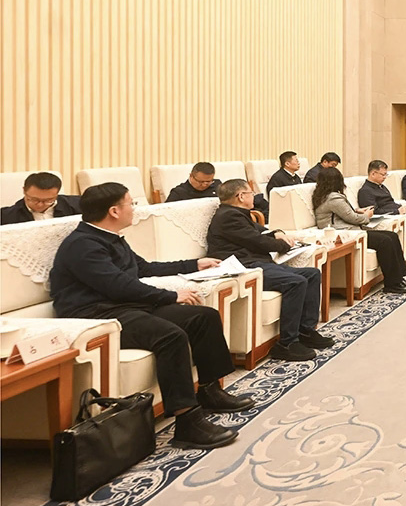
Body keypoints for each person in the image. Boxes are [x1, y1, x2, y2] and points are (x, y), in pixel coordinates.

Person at [49, 183, 253, 450]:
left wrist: (193, 264)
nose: (134, 208)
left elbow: (142, 268)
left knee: (203, 317)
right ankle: (187, 423)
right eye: (130, 203)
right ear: (114, 211)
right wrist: (170, 296)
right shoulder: (83, 245)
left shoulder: (109, 236)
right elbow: (117, 286)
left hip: (125, 306)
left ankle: (210, 391)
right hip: (98, 316)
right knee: (170, 336)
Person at [206, 179, 332, 362]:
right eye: (250, 193)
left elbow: (262, 231)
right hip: (245, 267)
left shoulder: (237, 214)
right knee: (295, 282)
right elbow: (259, 241)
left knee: (312, 274)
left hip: (257, 263)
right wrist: (285, 245)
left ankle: (305, 331)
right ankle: (287, 343)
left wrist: (278, 233)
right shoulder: (228, 217)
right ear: (241, 196)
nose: (254, 196)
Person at [312, 167, 406, 294]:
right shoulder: (333, 198)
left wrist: (358, 211)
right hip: (346, 233)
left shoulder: (325, 196)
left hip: (349, 230)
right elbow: (352, 218)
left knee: (391, 236)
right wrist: (367, 216)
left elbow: (343, 213)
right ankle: (392, 283)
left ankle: (398, 278)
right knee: (385, 241)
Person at [168, 162, 268, 218]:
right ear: (191, 176)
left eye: (208, 181)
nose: (204, 185)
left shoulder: (217, 185)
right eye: (200, 181)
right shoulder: (179, 192)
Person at [1, 171, 81, 225]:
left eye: (48, 200)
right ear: (24, 191)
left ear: (57, 194)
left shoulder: (79, 205)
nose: (40, 205)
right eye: (34, 199)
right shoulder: (5, 216)